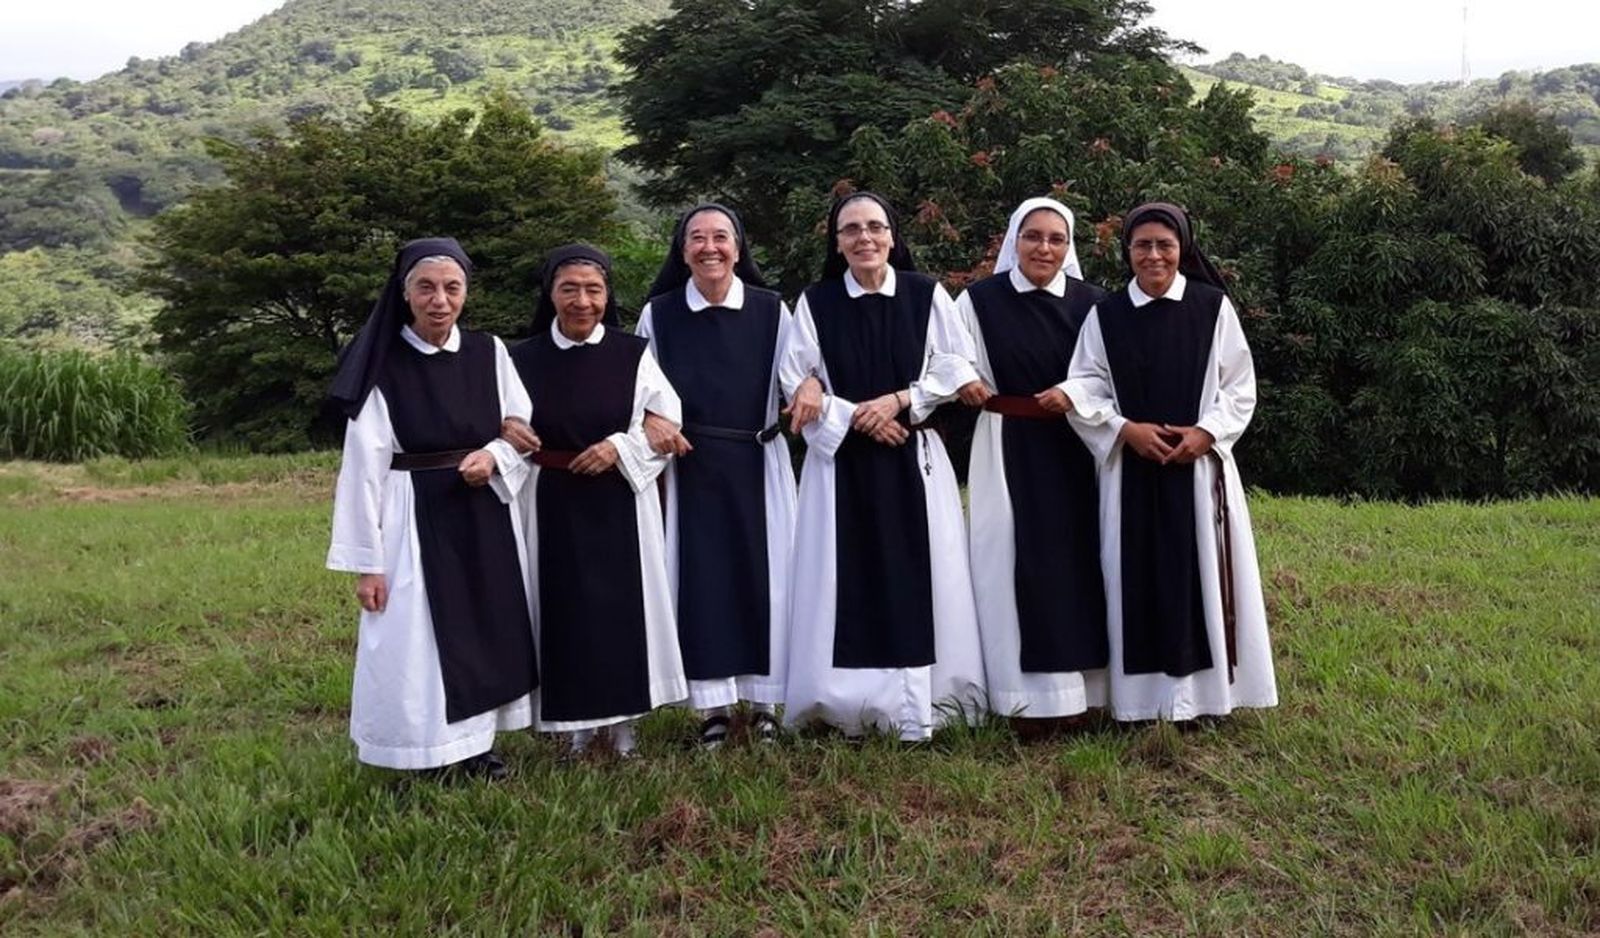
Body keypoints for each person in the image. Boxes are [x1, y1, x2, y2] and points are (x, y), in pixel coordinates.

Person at [779, 191, 988, 741]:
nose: (864, 238)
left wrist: (897, 400)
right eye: (850, 229)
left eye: (875, 227)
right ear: (837, 241)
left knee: (925, 573)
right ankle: (844, 708)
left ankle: (928, 705)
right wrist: (856, 417)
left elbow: (956, 365)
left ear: (893, 236)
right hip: (840, 471)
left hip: (913, 458)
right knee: (839, 580)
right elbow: (795, 379)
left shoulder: (925, 294)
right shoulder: (816, 302)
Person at [325, 237, 537, 779]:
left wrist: (491, 456)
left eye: (451, 287)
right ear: (406, 294)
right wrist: (367, 564)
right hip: (410, 518)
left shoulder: (490, 353)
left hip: (481, 511)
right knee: (415, 640)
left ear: (465, 292)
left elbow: (520, 429)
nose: (439, 299)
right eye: (426, 287)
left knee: (484, 628)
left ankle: (477, 747)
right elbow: (363, 467)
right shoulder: (383, 363)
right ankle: (425, 754)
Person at [1063, 202, 1277, 722]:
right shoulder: (1106, 315)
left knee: (1200, 574)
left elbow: (1239, 387)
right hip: (1130, 470)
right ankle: (1140, 705)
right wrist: (1122, 429)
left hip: (1197, 470)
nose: (1153, 255)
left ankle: (1205, 700)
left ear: (1183, 248)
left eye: (1165, 244)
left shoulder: (1211, 307)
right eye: (1142, 245)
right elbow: (1085, 386)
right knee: (1131, 579)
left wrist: (1207, 433)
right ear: (1127, 251)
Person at [507, 244, 688, 757]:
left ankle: (624, 727)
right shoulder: (521, 357)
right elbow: (503, 421)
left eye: (593, 289)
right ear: (551, 295)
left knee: (619, 614)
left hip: (619, 501)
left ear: (607, 296)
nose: (582, 301)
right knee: (559, 612)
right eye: (569, 289)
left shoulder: (633, 354)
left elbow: (667, 423)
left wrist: (619, 447)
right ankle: (571, 730)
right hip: (548, 500)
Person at [636, 204, 798, 748]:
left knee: (768, 578)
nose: (710, 247)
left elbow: (800, 372)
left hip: (759, 460)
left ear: (738, 246)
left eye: (721, 237)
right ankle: (713, 709)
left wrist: (812, 387)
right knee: (701, 584)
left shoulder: (772, 310)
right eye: (697, 238)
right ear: (681, 251)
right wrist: (650, 417)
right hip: (690, 467)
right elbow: (637, 387)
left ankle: (766, 701)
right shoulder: (658, 314)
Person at [956, 197, 1108, 735]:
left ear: (1069, 247)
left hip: (1076, 445)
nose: (1044, 248)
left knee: (1082, 560)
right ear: (1013, 240)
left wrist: (1071, 391)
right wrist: (964, 378)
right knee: (1008, 560)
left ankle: (1088, 696)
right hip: (1005, 443)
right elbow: (949, 352)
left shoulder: (1093, 303)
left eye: (1056, 239)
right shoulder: (979, 300)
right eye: (1033, 236)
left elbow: (1106, 373)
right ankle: (1023, 702)